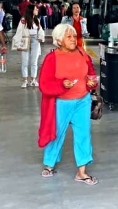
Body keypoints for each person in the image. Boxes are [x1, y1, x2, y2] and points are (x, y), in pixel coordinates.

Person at [38, 24, 99, 185]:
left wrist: (92, 82)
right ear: (59, 40)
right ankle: (49, 164)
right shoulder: (52, 58)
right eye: (69, 36)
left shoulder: (82, 52)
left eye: (74, 36)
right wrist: (62, 85)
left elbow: (91, 72)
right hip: (61, 103)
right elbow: (44, 84)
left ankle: (82, 172)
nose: (73, 39)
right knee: (56, 133)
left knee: (83, 134)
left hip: (82, 102)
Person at [13, 4, 45, 88]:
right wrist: (18, 44)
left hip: (35, 40)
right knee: (25, 61)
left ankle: (33, 79)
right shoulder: (23, 20)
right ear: (31, 10)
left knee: (34, 61)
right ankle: (25, 80)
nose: (37, 10)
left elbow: (40, 30)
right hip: (25, 40)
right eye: (35, 9)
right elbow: (19, 31)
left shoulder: (37, 20)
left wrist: (41, 38)